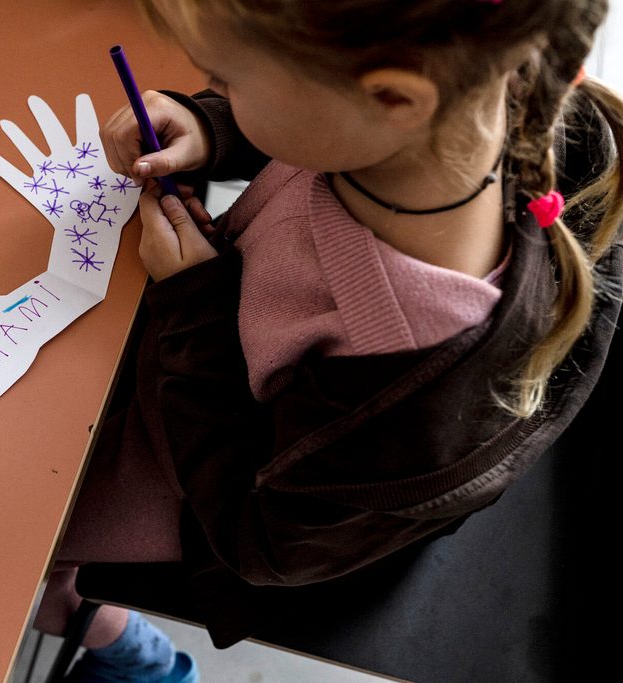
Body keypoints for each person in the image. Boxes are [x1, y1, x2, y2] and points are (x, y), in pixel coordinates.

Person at [33, 1, 623, 681]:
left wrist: (195, 304)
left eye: (226, 74)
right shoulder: (460, 111)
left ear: (394, 95)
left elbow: (258, 541)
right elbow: (320, 124)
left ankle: (115, 642)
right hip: (196, 343)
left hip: (212, 472)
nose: (215, 82)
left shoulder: (404, 380)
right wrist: (213, 125)